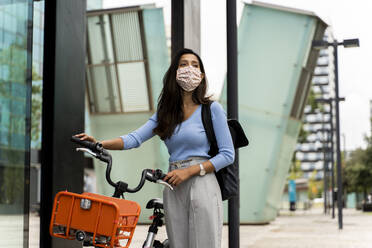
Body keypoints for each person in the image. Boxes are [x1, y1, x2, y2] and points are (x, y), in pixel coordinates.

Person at [75, 48, 235, 248]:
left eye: (195, 65)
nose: (189, 69)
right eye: (183, 64)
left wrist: (190, 171)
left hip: (201, 180)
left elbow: (228, 155)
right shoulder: (165, 114)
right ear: (175, 73)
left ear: (201, 76)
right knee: (178, 244)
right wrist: (98, 143)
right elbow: (134, 138)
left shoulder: (212, 109)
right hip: (172, 184)